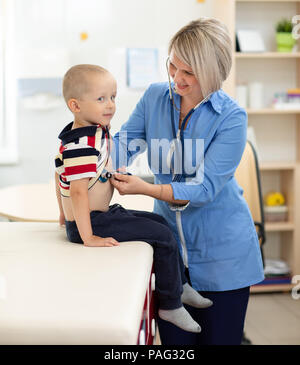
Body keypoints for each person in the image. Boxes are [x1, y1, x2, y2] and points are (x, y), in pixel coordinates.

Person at [110, 18, 265, 345]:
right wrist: (98, 162)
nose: (176, 78)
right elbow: (126, 141)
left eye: (189, 73)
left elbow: (203, 189)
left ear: (213, 72)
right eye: (172, 65)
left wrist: (146, 188)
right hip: (171, 257)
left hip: (223, 257)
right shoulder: (155, 97)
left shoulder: (231, 118)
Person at [54, 64, 213, 334]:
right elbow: (78, 191)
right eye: (101, 98)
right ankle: (171, 305)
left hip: (101, 216)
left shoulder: (92, 132)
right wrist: (87, 235)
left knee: (162, 225)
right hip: (93, 224)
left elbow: (58, 176)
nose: (111, 105)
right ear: (75, 105)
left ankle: (181, 285)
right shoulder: (80, 144)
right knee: (161, 236)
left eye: (113, 97)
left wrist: (63, 212)